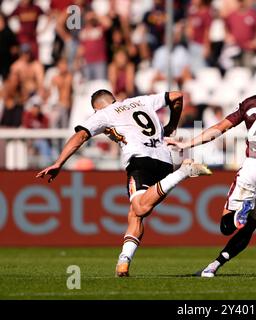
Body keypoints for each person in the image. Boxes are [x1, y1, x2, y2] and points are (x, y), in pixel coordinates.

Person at [36, 89, 212, 277]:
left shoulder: (104, 114)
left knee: (140, 207)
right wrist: (171, 125)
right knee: (135, 214)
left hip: (140, 160)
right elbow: (177, 96)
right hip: (164, 161)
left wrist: (58, 163)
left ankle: (184, 172)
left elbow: (80, 136)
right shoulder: (141, 101)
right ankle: (123, 262)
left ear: (97, 108)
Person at [166, 61, 256, 277]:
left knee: (226, 225)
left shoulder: (249, 103)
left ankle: (226, 237)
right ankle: (214, 266)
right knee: (251, 226)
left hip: (253, 165)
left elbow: (220, 128)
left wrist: (187, 144)